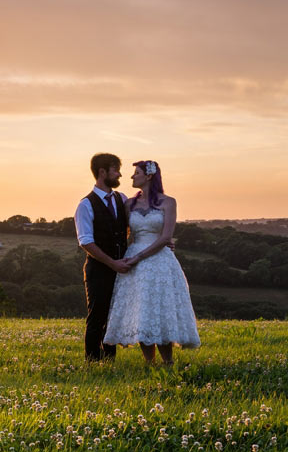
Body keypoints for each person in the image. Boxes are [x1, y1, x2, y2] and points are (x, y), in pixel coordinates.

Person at [102, 160, 200, 364]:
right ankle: (149, 363)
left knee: (160, 308)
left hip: (159, 260)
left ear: (148, 176)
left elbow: (165, 237)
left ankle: (168, 362)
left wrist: (140, 256)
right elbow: (125, 234)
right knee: (143, 309)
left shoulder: (168, 202)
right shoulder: (129, 204)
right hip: (135, 258)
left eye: (136, 173)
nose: (131, 176)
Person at [74, 153, 131, 361]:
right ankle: (92, 361)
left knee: (114, 317)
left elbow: (140, 223)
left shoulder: (122, 198)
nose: (120, 174)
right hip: (98, 270)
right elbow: (86, 242)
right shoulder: (85, 205)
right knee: (97, 316)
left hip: (121, 268)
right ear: (102, 172)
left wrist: (162, 237)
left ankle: (109, 361)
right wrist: (112, 263)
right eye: (116, 170)